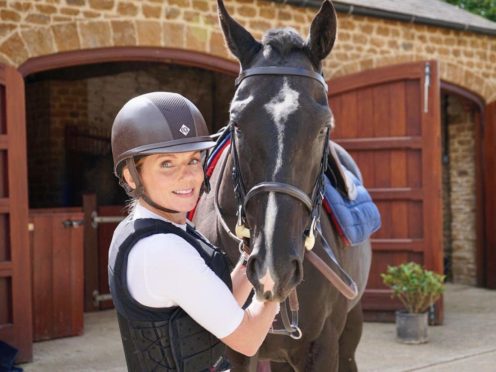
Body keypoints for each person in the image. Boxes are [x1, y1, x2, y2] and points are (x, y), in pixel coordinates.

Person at [108, 92, 279, 372]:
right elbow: (248, 340)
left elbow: (217, 303)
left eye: (193, 160)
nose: (187, 176)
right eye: (167, 164)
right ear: (130, 175)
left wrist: (251, 259)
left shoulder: (150, 228)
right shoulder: (162, 250)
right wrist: (274, 287)